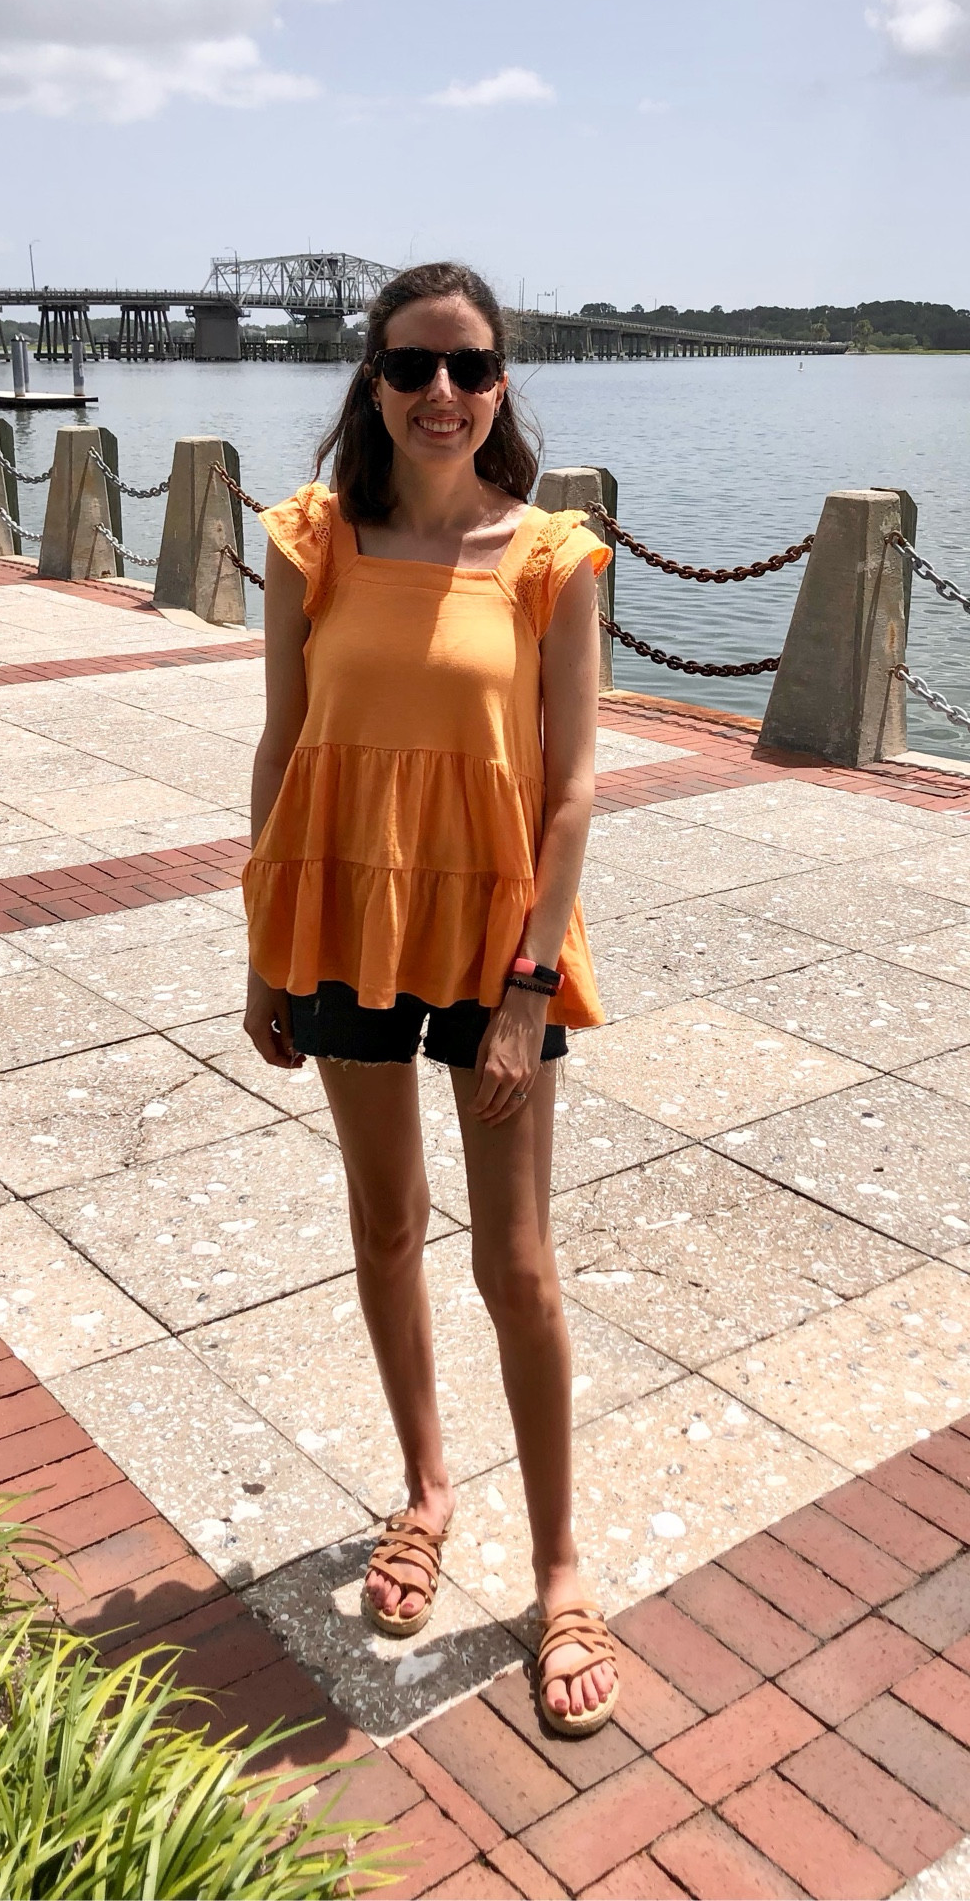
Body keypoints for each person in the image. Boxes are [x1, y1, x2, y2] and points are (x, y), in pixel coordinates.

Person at [242, 261, 619, 1736]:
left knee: (514, 1263)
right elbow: (281, 751)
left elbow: (576, 791)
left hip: (493, 947)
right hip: (335, 922)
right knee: (385, 1223)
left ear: (504, 383)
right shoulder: (314, 543)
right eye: (412, 367)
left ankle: (562, 1569)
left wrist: (529, 986)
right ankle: (424, 1489)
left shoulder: (553, 560)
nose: (441, 395)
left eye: (469, 369)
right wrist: (262, 947)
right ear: (373, 382)